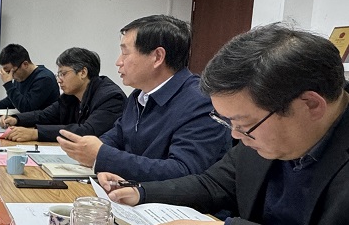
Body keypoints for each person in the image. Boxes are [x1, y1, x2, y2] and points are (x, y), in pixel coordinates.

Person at [102, 24, 349, 225]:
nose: (235, 135)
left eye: (244, 124)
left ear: (310, 104)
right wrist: (140, 192)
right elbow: (214, 185)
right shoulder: (263, 131)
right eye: (229, 122)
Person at [57, 15, 229, 181]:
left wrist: (102, 157)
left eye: (125, 53)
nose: (118, 62)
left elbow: (183, 171)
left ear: (157, 57)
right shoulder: (139, 95)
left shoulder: (201, 101)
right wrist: (90, 150)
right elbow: (117, 135)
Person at [0, 47, 125, 142]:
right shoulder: (71, 96)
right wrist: (17, 119)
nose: (59, 80)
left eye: (63, 74)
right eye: (58, 74)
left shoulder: (111, 98)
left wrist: (35, 133)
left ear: (82, 73)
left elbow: (87, 131)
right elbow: (45, 115)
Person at [0, 44, 59, 113]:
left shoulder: (44, 79)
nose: (11, 76)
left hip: (44, 122)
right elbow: (14, 100)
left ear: (25, 64)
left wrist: (8, 84)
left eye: (11, 72)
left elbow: (26, 108)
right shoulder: (20, 76)